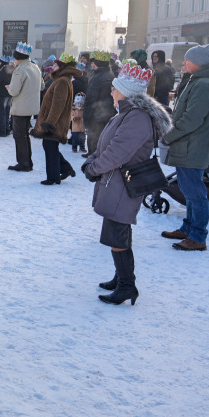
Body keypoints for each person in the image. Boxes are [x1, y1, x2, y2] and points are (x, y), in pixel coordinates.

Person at [82, 60, 170, 306]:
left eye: (114, 88)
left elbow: (117, 153)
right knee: (117, 232)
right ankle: (121, 277)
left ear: (125, 92)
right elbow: (106, 146)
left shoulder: (137, 118)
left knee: (118, 233)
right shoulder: (128, 114)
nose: (111, 92)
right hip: (115, 181)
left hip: (123, 183)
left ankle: (126, 286)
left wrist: (94, 168)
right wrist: (92, 161)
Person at [159, 44, 209, 251]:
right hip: (188, 145)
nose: (184, 63)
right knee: (189, 190)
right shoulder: (199, 81)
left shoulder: (204, 84)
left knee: (195, 193)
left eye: (187, 59)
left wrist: (170, 136)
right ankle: (188, 229)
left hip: (192, 146)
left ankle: (197, 236)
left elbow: (192, 119)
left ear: (198, 62)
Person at [31, 55, 82, 185]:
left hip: (55, 122)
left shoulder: (62, 81)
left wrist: (50, 123)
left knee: (49, 146)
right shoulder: (62, 80)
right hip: (55, 121)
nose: (53, 67)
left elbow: (58, 105)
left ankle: (53, 177)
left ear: (61, 67)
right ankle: (65, 169)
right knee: (50, 146)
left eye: (55, 65)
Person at [6, 42, 42, 172]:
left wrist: (9, 88)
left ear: (17, 57)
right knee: (25, 135)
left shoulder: (20, 69)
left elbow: (14, 91)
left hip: (20, 107)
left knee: (19, 136)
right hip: (31, 107)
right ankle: (28, 161)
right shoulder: (35, 67)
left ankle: (23, 163)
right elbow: (42, 86)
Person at [83, 53, 114, 155]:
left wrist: (86, 117)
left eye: (94, 63)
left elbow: (91, 99)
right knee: (105, 138)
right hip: (109, 113)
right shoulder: (112, 76)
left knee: (94, 138)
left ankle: (93, 159)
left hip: (96, 114)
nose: (92, 65)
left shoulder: (96, 78)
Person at [0, 56, 14, 136]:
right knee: (7, 112)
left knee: (1, 112)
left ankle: (3, 131)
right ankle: (7, 129)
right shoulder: (13, 69)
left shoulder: (3, 70)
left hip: (3, 93)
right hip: (10, 93)